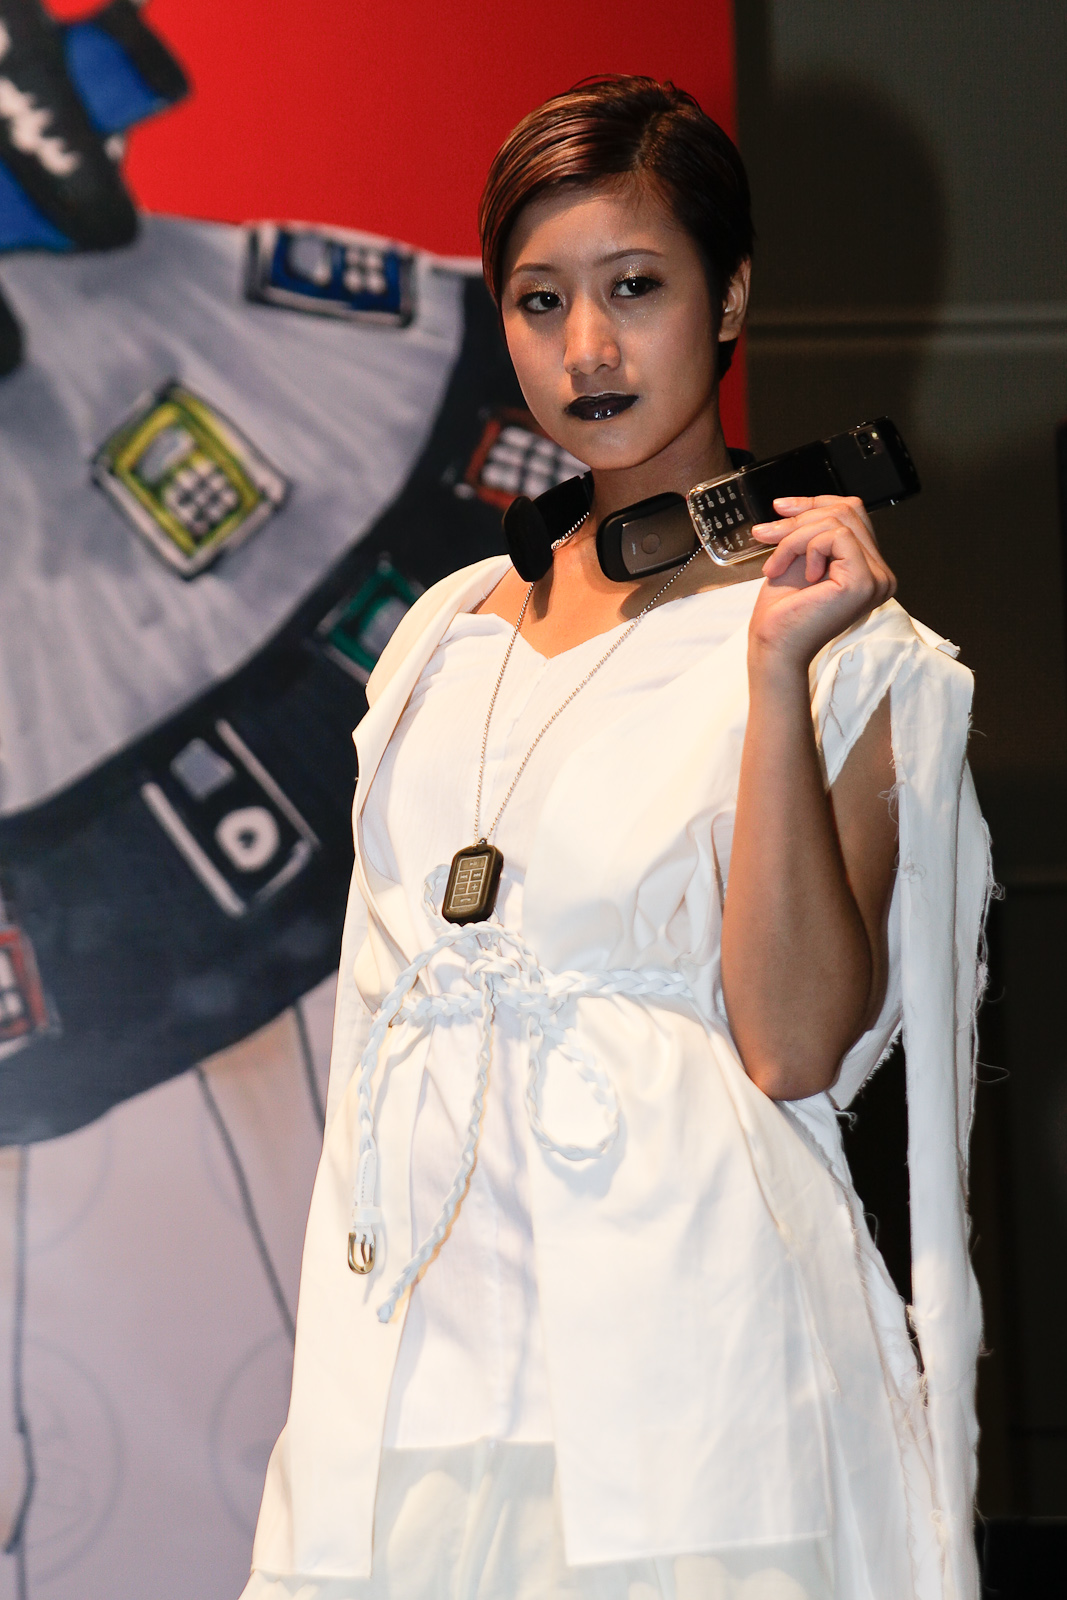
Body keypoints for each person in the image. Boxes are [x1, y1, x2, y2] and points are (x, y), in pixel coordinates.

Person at [242, 77, 991, 1600]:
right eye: (541, 300)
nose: (587, 346)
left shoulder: (855, 652)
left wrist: (774, 673)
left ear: (732, 299)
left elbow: (794, 1047)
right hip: (421, 1373)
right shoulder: (441, 634)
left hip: (694, 1379)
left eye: (635, 287)